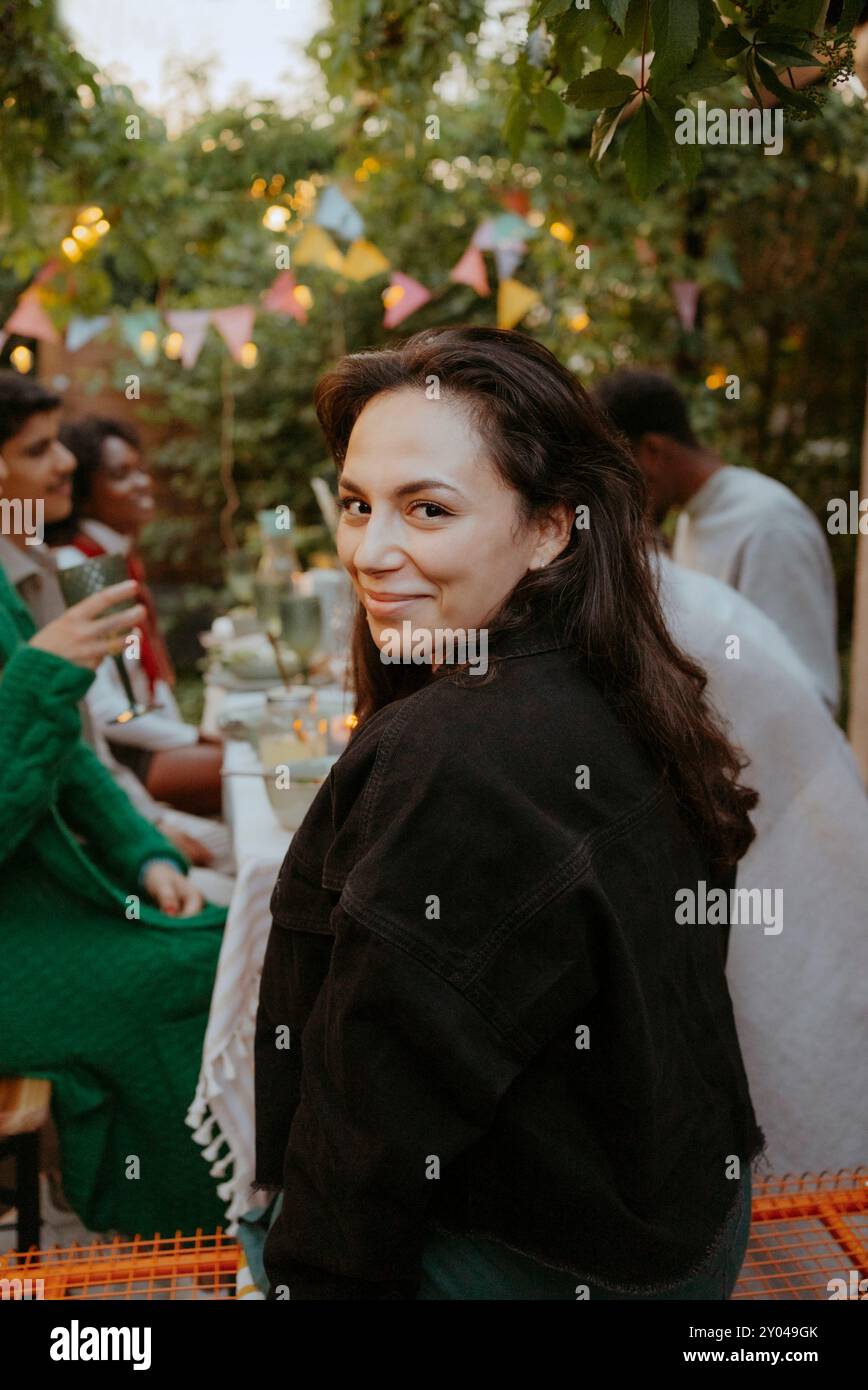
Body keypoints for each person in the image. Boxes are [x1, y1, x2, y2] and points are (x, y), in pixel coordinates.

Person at [253, 326, 765, 1300]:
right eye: (357, 505)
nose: (370, 550)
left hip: (565, 1265)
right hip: (688, 1223)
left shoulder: (453, 757)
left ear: (549, 527)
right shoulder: (622, 679)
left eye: (428, 509)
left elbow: (373, 1122)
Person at [0, 378, 227, 1239]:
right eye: (37, 450)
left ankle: (226, 1228)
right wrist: (36, 679)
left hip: (57, 892)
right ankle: (192, 1236)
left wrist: (144, 853)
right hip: (25, 928)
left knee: (233, 939)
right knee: (205, 965)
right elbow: (85, 720)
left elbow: (73, 752)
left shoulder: (22, 565)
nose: (68, 465)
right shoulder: (68, 565)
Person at [653, 552, 868, 1175]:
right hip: (767, 845)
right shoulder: (668, 593)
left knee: (794, 1076)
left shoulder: (656, 614)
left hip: (786, 855)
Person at [593, 369, 840, 714]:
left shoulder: (768, 523)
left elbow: (808, 692)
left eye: (624, 472)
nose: (625, 496)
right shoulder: (691, 522)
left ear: (652, 450)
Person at [46, 414, 224, 821]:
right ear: (84, 492)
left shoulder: (114, 557)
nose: (143, 482)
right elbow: (109, 713)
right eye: (121, 475)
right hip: (125, 756)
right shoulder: (79, 567)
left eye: (140, 469)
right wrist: (196, 737)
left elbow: (146, 683)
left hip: (144, 741)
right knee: (248, 773)